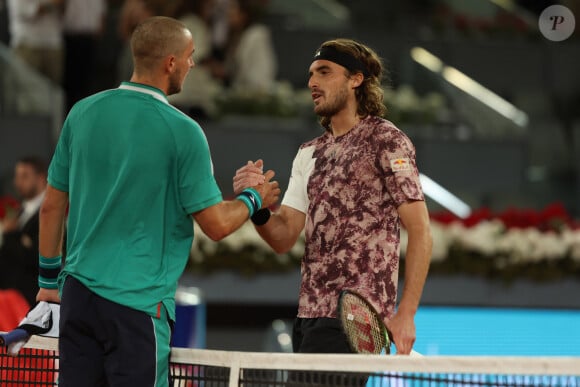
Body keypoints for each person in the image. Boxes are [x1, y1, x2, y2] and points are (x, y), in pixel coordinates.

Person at [36, 16, 280, 387]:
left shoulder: (81, 113)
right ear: (170, 63)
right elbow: (215, 225)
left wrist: (47, 283)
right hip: (136, 309)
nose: (192, 64)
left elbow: (52, 206)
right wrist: (253, 198)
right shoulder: (184, 132)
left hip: (78, 301)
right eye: (189, 56)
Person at [234, 39, 432, 360]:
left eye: (324, 72)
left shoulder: (386, 140)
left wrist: (406, 313)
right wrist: (256, 207)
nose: (312, 82)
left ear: (356, 80)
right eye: (311, 74)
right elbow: (284, 236)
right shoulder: (307, 153)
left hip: (356, 319)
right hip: (308, 317)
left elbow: (420, 229)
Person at [0, 157, 48, 307]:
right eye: (17, 176)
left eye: (24, 176)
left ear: (40, 178)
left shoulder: (50, 211)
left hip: (31, 298)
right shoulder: (18, 210)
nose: (17, 182)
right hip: (10, 296)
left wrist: (12, 235)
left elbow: (37, 256)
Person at [62, 0, 107, 112]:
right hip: (71, 38)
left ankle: (86, 112)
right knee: (70, 82)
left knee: (88, 81)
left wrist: (100, 30)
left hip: (90, 39)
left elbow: (101, 12)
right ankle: (70, 114)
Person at [6, 0, 65, 85]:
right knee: (26, 89)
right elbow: (24, 11)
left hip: (53, 43)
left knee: (54, 91)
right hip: (28, 44)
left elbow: (64, 12)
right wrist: (53, 3)